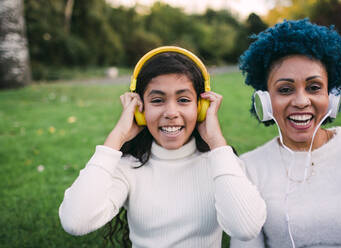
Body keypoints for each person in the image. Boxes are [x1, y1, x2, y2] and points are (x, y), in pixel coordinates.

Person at [59, 46, 266, 248]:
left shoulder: (222, 164)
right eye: (157, 100)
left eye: (183, 100)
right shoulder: (128, 168)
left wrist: (217, 143)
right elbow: (75, 221)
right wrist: (116, 137)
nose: (171, 112)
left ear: (201, 108)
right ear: (140, 109)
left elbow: (246, 229)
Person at [230, 19, 341, 248]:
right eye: (285, 90)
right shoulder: (249, 169)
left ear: (332, 96)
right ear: (265, 101)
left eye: (314, 87)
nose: (301, 101)